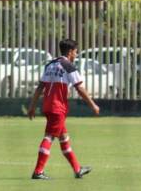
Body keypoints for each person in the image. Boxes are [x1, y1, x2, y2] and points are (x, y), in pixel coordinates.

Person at [28, 38, 99, 180]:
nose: (77, 55)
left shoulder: (50, 64)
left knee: (64, 138)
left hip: (48, 105)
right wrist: (93, 104)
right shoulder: (68, 66)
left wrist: (32, 107)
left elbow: (40, 87)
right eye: (76, 52)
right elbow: (79, 88)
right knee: (49, 136)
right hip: (57, 107)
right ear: (71, 52)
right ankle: (38, 171)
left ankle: (77, 169)